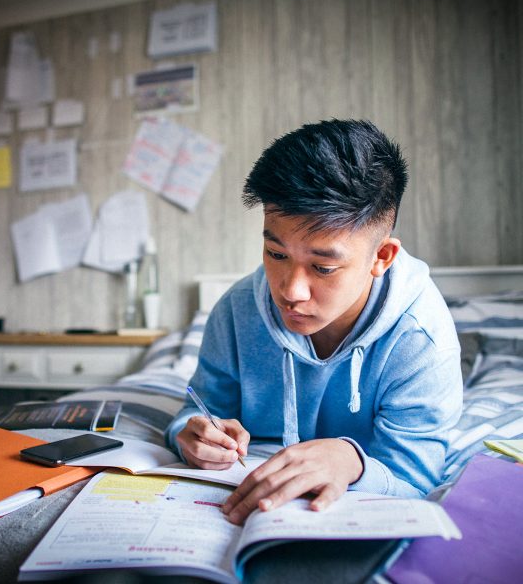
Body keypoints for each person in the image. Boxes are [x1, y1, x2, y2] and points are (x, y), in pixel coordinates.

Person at [165, 119, 463, 526]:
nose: (291, 290)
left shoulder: (421, 338)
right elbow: (197, 411)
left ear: (382, 257)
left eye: (322, 268)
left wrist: (353, 462)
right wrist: (191, 436)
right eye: (276, 254)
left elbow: (415, 476)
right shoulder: (235, 311)